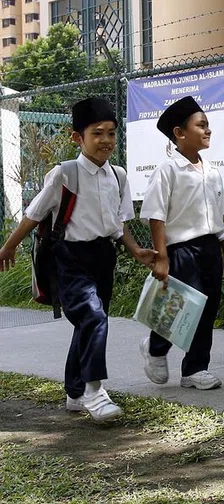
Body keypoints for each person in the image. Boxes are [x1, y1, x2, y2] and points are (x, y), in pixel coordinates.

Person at [0, 98, 155, 421]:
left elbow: (119, 223)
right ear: (77, 138)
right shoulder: (65, 174)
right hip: (70, 258)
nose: (106, 141)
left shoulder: (119, 176)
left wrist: (135, 249)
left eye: (111, 133)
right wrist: (9, 247)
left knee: (89, 323)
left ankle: (74, 392)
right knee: (94, 319)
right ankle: (93, 390)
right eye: (97, 133)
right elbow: (33, 214)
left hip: (104, 257)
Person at [139, 96, 224, 390]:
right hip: (180, 249)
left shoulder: (213, 172)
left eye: (208, 125)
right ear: (179, 133)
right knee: (178, 306)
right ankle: (155, 347)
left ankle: (195, 369)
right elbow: (156, 216)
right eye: (201, 125)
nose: (208, 130)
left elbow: (219, 214)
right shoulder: (168, 170)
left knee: (208, 306)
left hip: (210, 248)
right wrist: (161, 256)